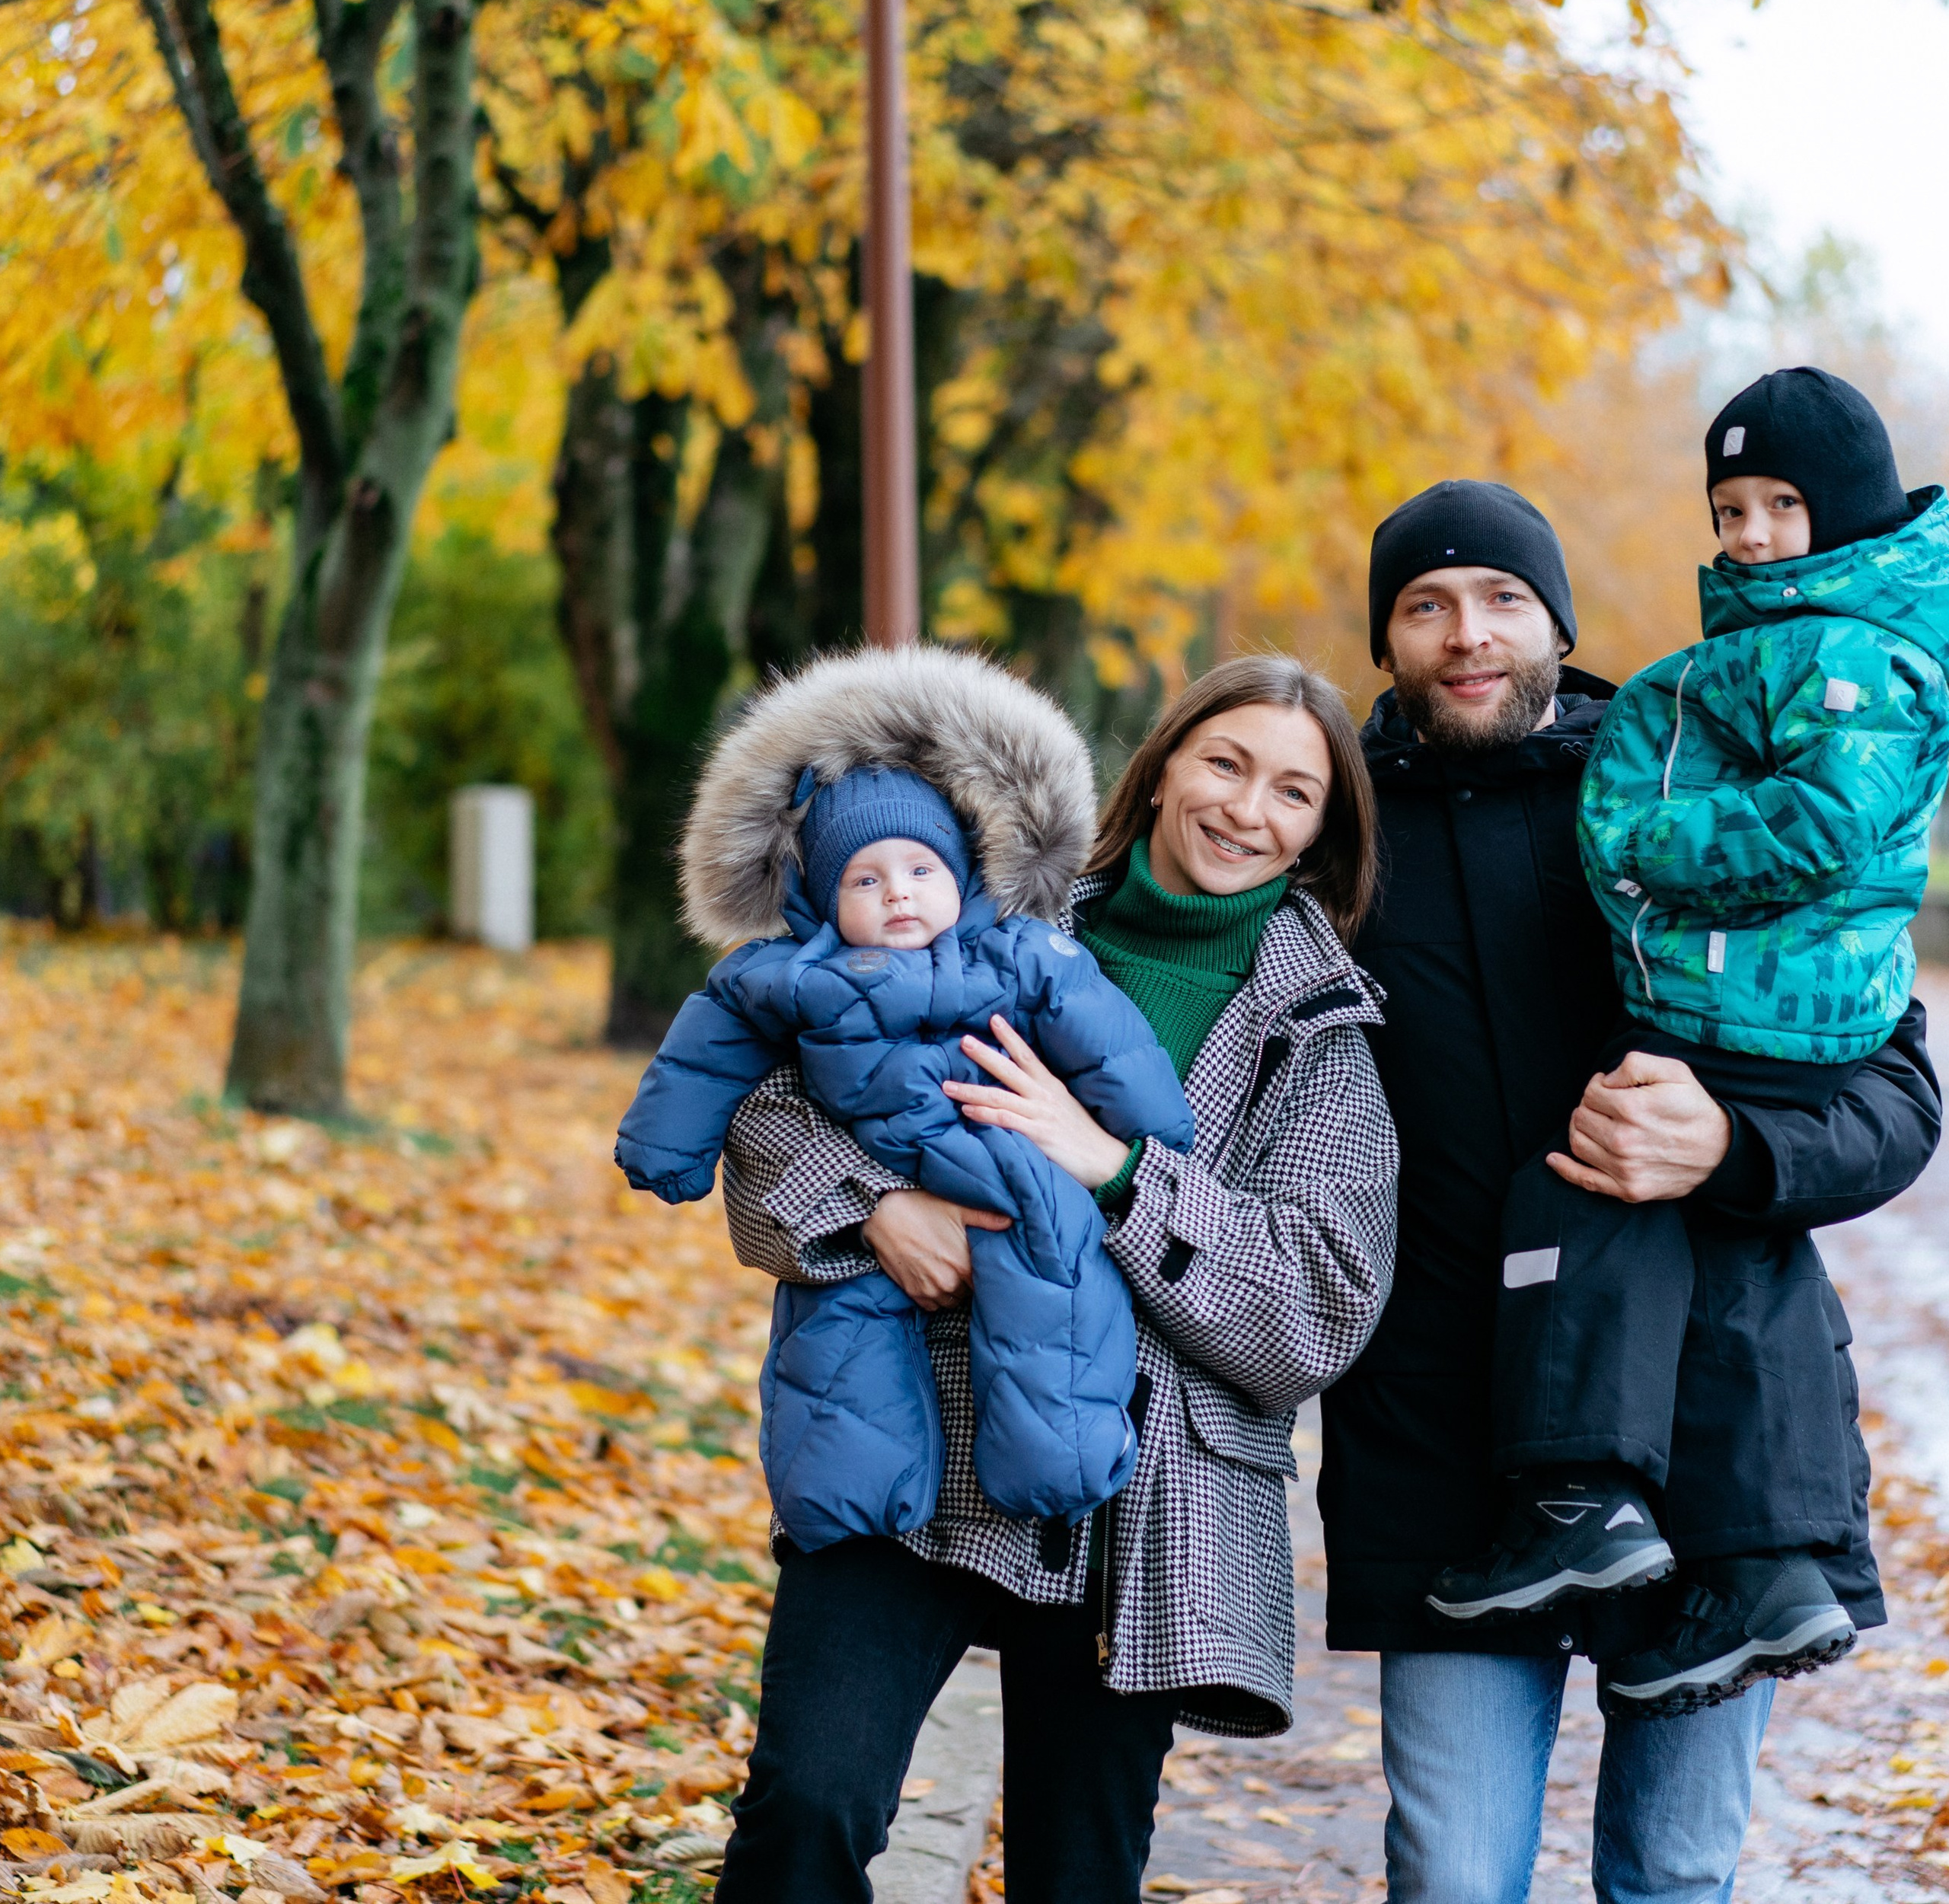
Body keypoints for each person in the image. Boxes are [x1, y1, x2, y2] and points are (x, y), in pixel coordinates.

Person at [1329, 474, 1941, 1902]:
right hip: (1443, 1439)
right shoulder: (1334, 842)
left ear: (1557, 620)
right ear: (1388, 642)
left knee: (1673, 1878)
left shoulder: (1699, 784)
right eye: (1425, 607)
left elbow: (1897, 1101)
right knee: (1451, 1879)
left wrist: (1735, 1150)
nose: (1465, 635)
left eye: (1501, 600)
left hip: (1719, 1433)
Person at [710, 653, 1398, 1904]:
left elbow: (1316, 1305)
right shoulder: (993, 919)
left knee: (1077, 1878)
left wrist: (1120, 1173)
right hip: (911, 1430)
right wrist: (881, 1209)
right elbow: (764, 1104)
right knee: (807, 1805)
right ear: (1165, 765)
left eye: (1294, 793)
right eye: (1227, 764)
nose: (1250, 810)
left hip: (1141, 1496)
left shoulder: (1325, 1033)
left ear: (1323, 832)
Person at [1429, 371, 1949, 1719]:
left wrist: (1649, 856)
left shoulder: (1846, 654)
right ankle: (1770, 1572)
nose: (1756, 533)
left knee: (1588, 1190)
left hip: (1753, 1005)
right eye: (1733, 508)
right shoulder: (1801, 644)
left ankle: (1583, 1491)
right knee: (1720, 1245)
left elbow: (1825, 824)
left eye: (1786, 505)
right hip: (1750, 1002)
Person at [613, 646, 1195, 1551]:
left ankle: (1062, 1460)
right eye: (865, 880)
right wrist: (665, 1147)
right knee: (840, 1330)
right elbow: (705, 1050)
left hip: (1003, 1161)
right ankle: (848, 1501)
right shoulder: (785, 973)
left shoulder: (1016, 950)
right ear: (817, 897)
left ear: (961, 876)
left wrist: (1148, 1132)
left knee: (1052, 1272)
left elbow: (1101, 1032)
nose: (896, 896)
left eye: (920, 872)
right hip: (876, 1165)